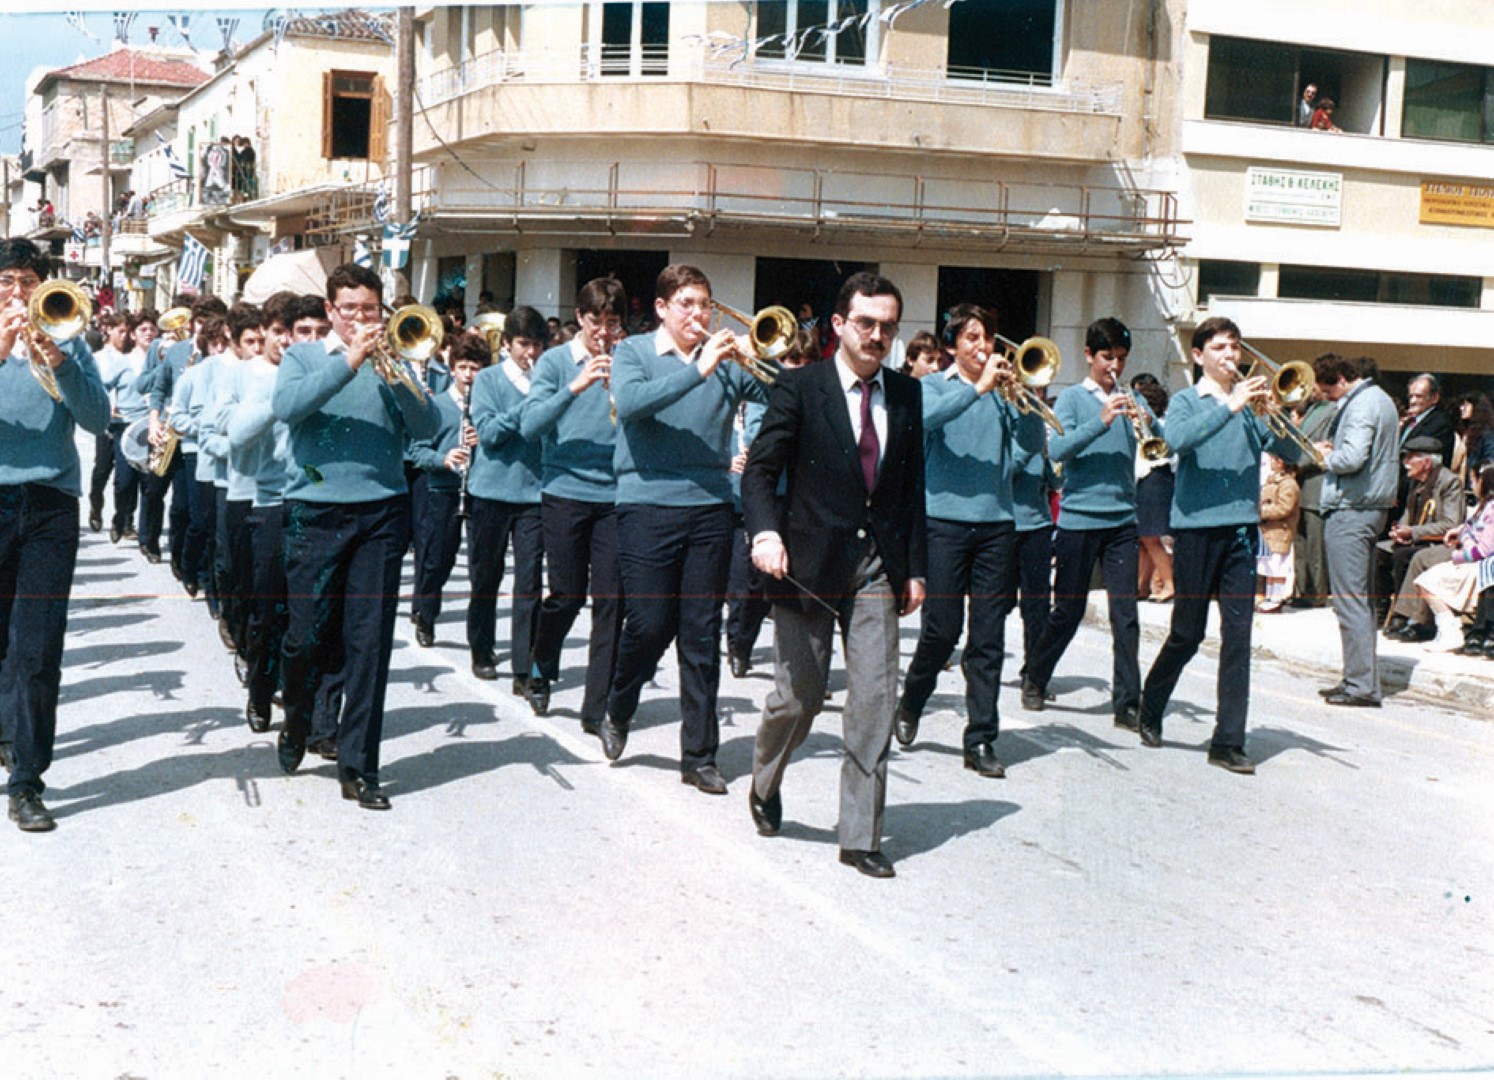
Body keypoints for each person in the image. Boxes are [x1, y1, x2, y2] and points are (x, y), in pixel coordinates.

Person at [743, 271, 926, 879]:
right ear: (840, 325)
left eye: (887, 326)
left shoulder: (907, 394)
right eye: (866, 323)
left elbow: (911, 489)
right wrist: (765, 534)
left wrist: (915, 568)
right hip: (806, 565)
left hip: (876, 568)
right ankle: (765, 780)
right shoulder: (799, 387)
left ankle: (860, 835)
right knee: (798, 699)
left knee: (874, 701)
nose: (877, 336)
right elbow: (760, 472)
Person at [271, 263, 440, 810]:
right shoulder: (304, 357)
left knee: (369, 644)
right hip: (315, 509)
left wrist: (398, 378)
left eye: (370, 309)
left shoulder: (396, 360)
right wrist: (350, 360)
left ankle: (359, 766)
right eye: (350, 310)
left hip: (381, 513)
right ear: (330, 311)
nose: (361, 319)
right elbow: (288, 408)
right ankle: (298, 719)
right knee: (305, 637)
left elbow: (428, 427)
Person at [601, 265, 770, 793]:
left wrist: (760, 353)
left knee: (700, 633)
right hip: (646, 504)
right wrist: (699, 369)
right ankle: (620, 704)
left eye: (705, 304)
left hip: (711, 507)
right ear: (661, 308)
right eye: (687, 304)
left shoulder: (724, 360)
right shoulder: (633, 352)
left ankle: (699, 756)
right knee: (649, 625)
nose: (699, 314)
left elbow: (781, 394)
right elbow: (632, 404)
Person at [1136, 317, 1305, 773]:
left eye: (1234, 347)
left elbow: (1294, 454)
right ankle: (1151, 704)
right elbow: (1176, 441)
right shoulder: (1188, 402)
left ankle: (1228, 740)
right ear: (1198, 356)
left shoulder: (1250, 405)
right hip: (1196, 530)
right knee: (1187, 633)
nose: (1230, 355)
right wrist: (1231, 405)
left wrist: (1278, 416)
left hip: (1242, 531)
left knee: (1238, 636)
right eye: (1219, 347)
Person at [0, 237, 110, 830]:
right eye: (7, 281)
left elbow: (98, 419)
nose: (19, 293)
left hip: (49, 506)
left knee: (38, 650)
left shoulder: (66, 338)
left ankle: (26, 782)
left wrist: (60, 363)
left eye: (28, 282)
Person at [892, 304, 1015, 778]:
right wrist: (978, 389)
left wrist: (1020, 397)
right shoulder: (931, 387)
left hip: (997, 523)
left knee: (988, 639)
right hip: (943, 522)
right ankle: (912, 699)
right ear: (951, 345)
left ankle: (980, 738)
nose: (983, 347)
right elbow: (926, 421)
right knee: (942, 632)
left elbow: (1030, 450)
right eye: (972, 338)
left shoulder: (1004, 391)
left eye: (988, 338)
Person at [1021, 317, 1152, 731]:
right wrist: (1102, 420)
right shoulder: (1073, 399)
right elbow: (1058, 449)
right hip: (1080, 518)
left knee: (1125, 614)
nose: (1115, 365)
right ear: (1089, 355)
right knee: (1069, 610)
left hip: (1122, 519)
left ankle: (1127, 702)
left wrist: (1146, 424)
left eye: (1121, 358)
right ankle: (1036, 676)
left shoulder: (1133, 398)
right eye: (1107, 357)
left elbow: (1159, 443)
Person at [518, 278, 626, 734]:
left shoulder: (629, 359)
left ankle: (596, 708)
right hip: (564, 490)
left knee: (612, 601)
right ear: (580, 318)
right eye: (596, 320)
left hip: (616, 495)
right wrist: (576, 387)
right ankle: (541, 664)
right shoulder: (555, 362)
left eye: (613, 322)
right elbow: (530, 426)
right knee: (567, 594)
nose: (604, 331)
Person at [726, 330, 818, 678]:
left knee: (796, 579)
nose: (799, 368)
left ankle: (801, 666)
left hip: (801, 497)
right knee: (755, 582)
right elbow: (754, 436)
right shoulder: (766, 392)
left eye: (807, 362)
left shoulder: (817, 395)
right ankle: (740, 643)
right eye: (792, 360)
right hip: (767, 495)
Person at [1312, 353, 1399, 707]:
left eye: (1328, 390)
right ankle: (1358, 679)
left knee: (1349, 601)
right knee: (1359, 601)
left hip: (1352, 508)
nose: (1328, 397)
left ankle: (1360, 685)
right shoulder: (1381, 399)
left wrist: (1323, 456)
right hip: (1369, 506)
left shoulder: (1361, 404)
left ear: (1342, 380)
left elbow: (1351, 459)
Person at [466, 306, 547, 687]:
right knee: (486, 577)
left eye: (537, 345)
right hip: (491, 492)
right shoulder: (487, 379)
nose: (530, 353)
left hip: (533, 494)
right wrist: (529, 404)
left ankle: (523, 666)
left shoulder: (547, 378)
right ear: (508, 344)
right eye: (523, 344)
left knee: (529, 583)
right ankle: (481, 648)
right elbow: (489, 433)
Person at [227, 293, 295, 733]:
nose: (286, 341)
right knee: (265, 609)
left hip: (306, 496)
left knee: (302, 610)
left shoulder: (313, 371)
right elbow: (232, 432)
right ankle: (259, 690)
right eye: (278, 332)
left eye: (293, 332)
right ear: (265, 333)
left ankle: (295, 692)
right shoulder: (247, 374)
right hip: (258, 496)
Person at [408, 334, 488, 648]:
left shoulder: (486, 407)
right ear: (452, 368)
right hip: (442, 489)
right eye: (463, 367)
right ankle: (426, 615)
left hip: (478, 489)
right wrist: (444, 459)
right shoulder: (436, 406)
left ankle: (479, 637)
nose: (468, 375)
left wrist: (483, 440)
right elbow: (417, 451)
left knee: (476, 563)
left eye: (475, 368)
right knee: (438, 558)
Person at [1381, 436, 1467, 642]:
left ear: (1427, 462)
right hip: (1418, 538)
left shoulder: (1450, 482)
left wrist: (1412, 532)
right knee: (1378, 551)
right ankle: (1381, 611)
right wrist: (1399, 531)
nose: (1405, 463)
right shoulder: (1416, 481)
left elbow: (1450, 524)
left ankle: (1408, 617)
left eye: (1410, 457)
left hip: (1440, 542)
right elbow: (1408, 515)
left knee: (1405, 557)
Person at [1415, 464, 1494, 649]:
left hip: (1479, 565)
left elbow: (1484, 550)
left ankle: (1450, 631)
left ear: (1483, 481)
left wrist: (1457, 555)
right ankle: (1448, 629)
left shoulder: (1492, 509)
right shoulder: (1483, 507)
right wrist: (1460, 532)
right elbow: (1472, 528)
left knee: (1427, 580)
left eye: (1473, 481)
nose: (1472, 485)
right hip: (1470, 560)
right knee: (1424, 579)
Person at [1290, 374, 1339, 607]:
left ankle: (1317, 592)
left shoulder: (1334, 411)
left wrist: (1296, 464)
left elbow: (1326, 451)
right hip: (1299, 484)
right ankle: (1302, 589)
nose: (1309, 388)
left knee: (1314, 544)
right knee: (1300, 543)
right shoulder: (1310, 409)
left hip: (1315, 483)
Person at [1132, 373, 1174, 602]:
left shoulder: (1161, 427)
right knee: (1143, 537)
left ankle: (1169, 584)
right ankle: (1142, 585)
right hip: (1150, 481)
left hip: (1153, 480)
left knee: (1150, 537)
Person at [1256, 455, 1300, 613]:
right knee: (1269, 566)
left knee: (1278, 566)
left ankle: (1277, 598)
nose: (1271, 462)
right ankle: (1269, 595)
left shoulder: (1288, 484)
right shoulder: (1272, 481)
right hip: (1268, 531)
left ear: (1281, 463)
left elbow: (1284, 508)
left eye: (1274, 460)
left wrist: (1262, 511)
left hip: (1280, 531)